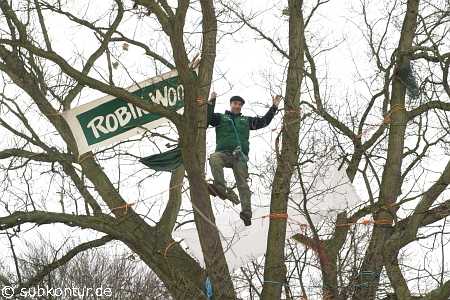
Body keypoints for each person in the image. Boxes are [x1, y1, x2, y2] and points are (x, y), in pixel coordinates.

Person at [202, 92, 282, 226]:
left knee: (243, 185)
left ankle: (246, 213)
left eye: (240, 104)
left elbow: (263, 122)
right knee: (214, 158)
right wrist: (212, 102)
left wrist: (274, 107)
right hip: (223, 153)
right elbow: (207, 118)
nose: (237, 106)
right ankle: (220, 188)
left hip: (240, 156)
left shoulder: (246, 121)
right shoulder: (221, 117)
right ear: (231, 104)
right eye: (235, 103)